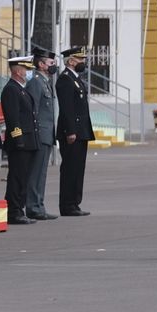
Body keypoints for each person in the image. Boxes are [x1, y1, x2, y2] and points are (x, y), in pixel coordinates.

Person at [0, 55, 40, 225]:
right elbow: (13, 118)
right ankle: (14, 211)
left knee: (23, 177)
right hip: (20, 142)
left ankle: (18, 209)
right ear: (17, 71)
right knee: (17, 177)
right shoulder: (11, 89)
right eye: (26, 69)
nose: (28, 72)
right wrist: (19, 139)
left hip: (29, 140)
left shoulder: (21, 89)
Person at [55, 46, 96, 216]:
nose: (83, 62)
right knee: (70, 169)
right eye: (80, 59)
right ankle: (67, 205)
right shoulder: (65, 79)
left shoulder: (76, 79)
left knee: (78, 169)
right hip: (72, 133)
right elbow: (67, 109)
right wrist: (70, 131)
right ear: (71, 61)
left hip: (81, 131)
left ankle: (75, 202)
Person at [24, 49, 59, 219]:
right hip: (40, 135)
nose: (54, 66)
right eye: (51, 63)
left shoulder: (45, 82)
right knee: (35, 172)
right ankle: (33, 207)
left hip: (47, 134)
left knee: (42, 173)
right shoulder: (36, 82)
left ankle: (39, 205)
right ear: (41, 64)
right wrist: (35, 134)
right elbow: (33, 111)